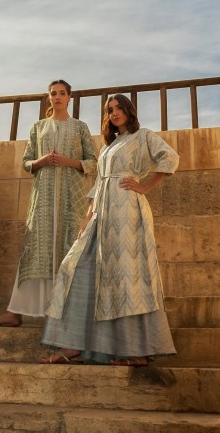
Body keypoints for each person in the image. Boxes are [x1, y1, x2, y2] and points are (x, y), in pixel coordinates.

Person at [40, 93, 179, 365]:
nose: (114, 113)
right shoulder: (108, 146)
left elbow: (169, 158)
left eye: (118, 108)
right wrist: (87, 216)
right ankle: (73, 344)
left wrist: (144, 187)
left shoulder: (143, 136)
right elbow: (99, 182)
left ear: (128, 110)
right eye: (109, 110)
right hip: (100, 213)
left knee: (126, 277)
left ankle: (135, 352)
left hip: (127, 211)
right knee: (75, 268)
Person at [0, 79, 97, 327]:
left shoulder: (80, 127)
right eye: (52, 94)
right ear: (49, 98)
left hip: (71, 198)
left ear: (69, 98)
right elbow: (27, 163)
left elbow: (92, 162)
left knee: (69, 251)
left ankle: (65, 315)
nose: (57, 97)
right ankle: (15, 312)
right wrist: (41, 161)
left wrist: (69, 162)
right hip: (44, 198)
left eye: (61, 93)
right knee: (36, 251)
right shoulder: (38, 127)